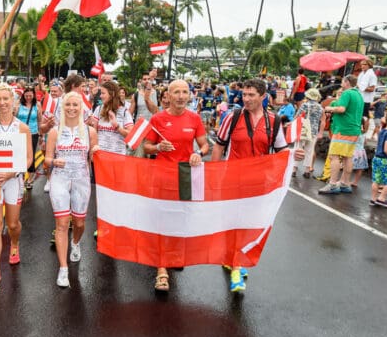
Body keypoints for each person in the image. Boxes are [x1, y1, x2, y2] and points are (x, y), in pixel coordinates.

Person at [211, 78, 300, 293]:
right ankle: (236, 266)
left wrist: (292, 155)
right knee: (233, 223)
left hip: (259, 184)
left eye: (252, 95)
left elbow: (280, 152)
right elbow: (219, 146)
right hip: (232, 180)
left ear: (263, 97)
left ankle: (236, 258)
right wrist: (212, 176)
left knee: (251, 223)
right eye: (244, 95)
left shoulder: (274, 121)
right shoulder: (231, 117)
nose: (247, 99)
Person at [143, 80, 209, 293]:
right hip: (162, 176)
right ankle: (161, 270)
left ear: (189, 95)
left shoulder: (195, 118)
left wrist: (198, 154)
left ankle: (173, 255)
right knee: (162, 221)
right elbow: (146, 147)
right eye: (176, 92)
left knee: (180, 218)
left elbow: (205, 145)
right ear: (168, 96)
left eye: (185, 92)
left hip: (185, 176)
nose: (181, 96)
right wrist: (158, 147)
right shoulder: (158, 119)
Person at [0, 84, 33, 292]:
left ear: (13, 101)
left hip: (13, 180)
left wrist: (10, 173)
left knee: (12, 224)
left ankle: (15, 244)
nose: (1, 103)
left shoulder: (22, 128)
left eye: (5, 99)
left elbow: (28, 159)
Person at [45, 91, 98, 287]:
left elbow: (95, 155)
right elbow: (47, 158)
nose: (72, 108)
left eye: (76, 105)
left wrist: (97, 151)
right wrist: (53, 161)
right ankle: (63, 268)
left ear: (81, 107)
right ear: (63, 107)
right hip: (60, 179)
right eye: (68, 105)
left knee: (79, 222)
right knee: (61, 223)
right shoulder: (55, 131)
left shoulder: (90, 131)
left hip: (82, 180)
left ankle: (75, 242)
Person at [318, 75, 364, 195]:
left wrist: (328, 108)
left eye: (342, 82)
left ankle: (332, 184)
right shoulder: (359, 94)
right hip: (354, 130)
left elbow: (342, 109)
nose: (341, 84)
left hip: (343, 129)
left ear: (347, 82)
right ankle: (344, 183)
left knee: (334, 156)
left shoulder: (347, 93)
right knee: (347, 157)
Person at [90, 81, 133, 155]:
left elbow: (131, 135)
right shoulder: (99, 109)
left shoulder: (124, 112)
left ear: (112, 94)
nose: (100, 96)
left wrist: (117, 127)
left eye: (103, 93)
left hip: (117, 157)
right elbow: (94, 133)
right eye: (100, 93)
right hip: (100, 155)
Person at [16, 86, 42, 189]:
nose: (28, 98)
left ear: (34, 95)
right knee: (20, 155)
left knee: (31, 155)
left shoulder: (37, 105)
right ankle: (20, 177)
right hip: (19, 133)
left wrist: (40, 134)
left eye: (30, 96)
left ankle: (30, 179)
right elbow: (14, 117)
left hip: (33, 133)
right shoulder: (18, 104)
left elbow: (39, 120)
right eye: (26, 96)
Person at [294, 88, 323, 178]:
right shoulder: (320, 107)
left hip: (303, 129)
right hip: (313, 131)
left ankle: (294, 169)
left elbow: (297, 117)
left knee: (298, 149)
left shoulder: (305, 105)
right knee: (309, 151)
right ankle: (307, 170)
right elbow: (321, 120)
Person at [351, 117, 370, 187]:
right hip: (361, 152)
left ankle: (345, 180)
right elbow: (365, 142)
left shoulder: (355, 131)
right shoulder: (364, 132)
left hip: (354, 151)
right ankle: (355, 182)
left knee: (349, 166)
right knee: (360, 168)